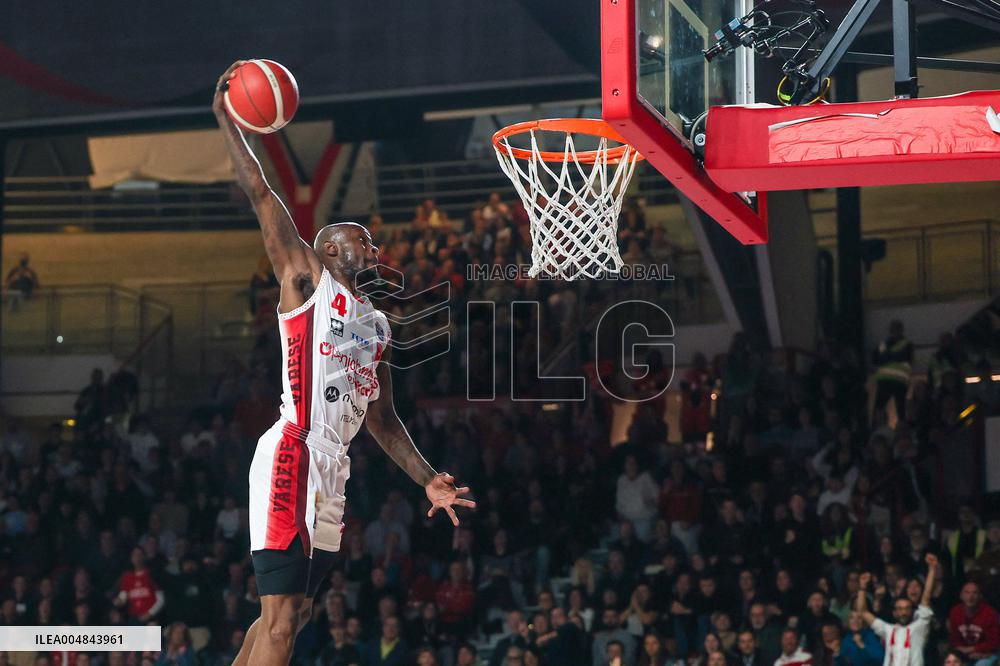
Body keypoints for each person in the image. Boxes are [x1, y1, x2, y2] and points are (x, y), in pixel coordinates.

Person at [213, 61, 475, 666]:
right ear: (330, 249)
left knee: (293, 613)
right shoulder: (305, 281)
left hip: (334, 466)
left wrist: (427, 478)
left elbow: (383, 419)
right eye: (362, 239)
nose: (374, 248)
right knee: (280, 621)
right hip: (295, 449)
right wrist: (226, 118)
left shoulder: (378, 326)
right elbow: (260, 192)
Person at [857, 554, 939, 666]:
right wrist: (862, 587)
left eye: (906, 608)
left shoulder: (920, 626)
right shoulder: (887, 629)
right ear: (894, 613)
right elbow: (863, 612)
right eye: (899, 609)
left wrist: (932, 569)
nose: (903, 612)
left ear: (912, 611)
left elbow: (926, 596)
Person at [948, 582, 1000, 666]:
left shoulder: (990, 613)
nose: (970, 597)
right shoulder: (955, 612)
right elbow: (955, 639)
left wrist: (973, 650)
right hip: (965, 653)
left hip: (987, 653)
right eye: (967, 592)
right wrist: (964, 653)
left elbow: (994, 642)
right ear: (961, 595)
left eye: (974, 593)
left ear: (980, 596)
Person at [872, 320, 913, 417]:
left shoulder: (906, 344)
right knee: (879, 410)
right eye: (893, 329)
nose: (895, 331)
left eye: (896, 328)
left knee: (900, 410)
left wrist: (885, 358)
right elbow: (875, 357)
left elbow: (880, 358)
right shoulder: (884, 344)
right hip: (887, 382)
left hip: (897, 382)